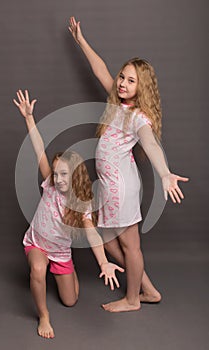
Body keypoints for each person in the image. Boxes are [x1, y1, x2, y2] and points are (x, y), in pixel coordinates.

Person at [68, 17, 189, 312]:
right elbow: (100, 71)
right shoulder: (117, 104)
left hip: (122, 189)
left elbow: (150, 144)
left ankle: (133, 299)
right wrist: (81, 40)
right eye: (122, 76)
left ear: (142, 87)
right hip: (111, 188)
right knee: (108, 238)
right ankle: (147, 289)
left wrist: (164, 174)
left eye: (130, 80)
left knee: (130, 246)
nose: (122, 83)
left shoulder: (138, 118)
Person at [13, 89, 124, 338]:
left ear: (75, 175)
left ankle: (66, 269)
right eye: (56, 173)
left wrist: (104, 262)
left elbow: (93, 234)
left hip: (60, 251)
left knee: (70, 301)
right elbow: (39, 149)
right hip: (37, 244)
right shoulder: (50, 184)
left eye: (65, 174)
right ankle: (43, 316)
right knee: (38, 271)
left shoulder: (81, 203)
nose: (59, 179)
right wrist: (29, 118)